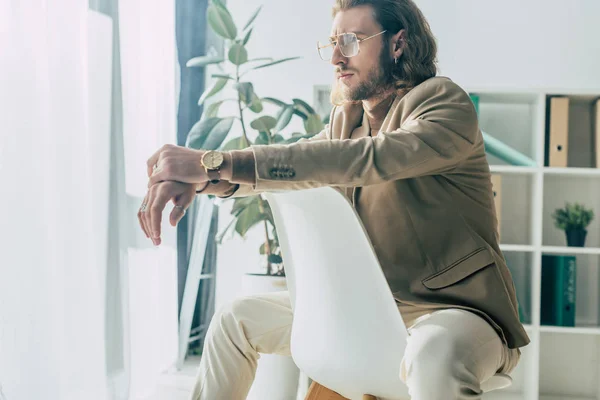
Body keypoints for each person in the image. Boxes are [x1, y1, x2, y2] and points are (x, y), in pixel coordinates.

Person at [138, 0, 530, 398]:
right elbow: (296, 169)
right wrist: (206, 179)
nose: (337, 57)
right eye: (332, 43)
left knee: (434, 353)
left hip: (455, 310)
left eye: (351, 41)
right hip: (369, 306)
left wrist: (213, 162)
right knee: (234, 320)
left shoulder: (444, 104)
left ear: (399, 44)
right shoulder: (347, 122)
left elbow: (367, 160)